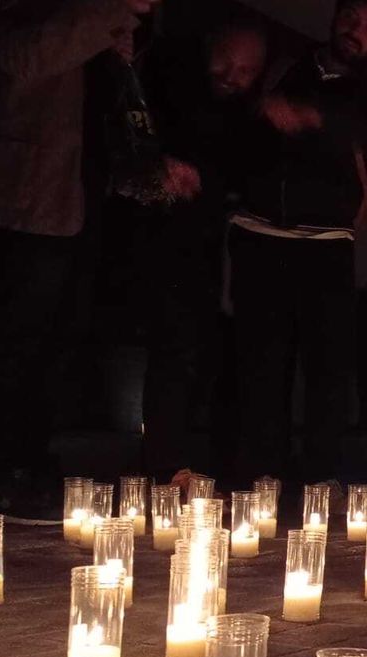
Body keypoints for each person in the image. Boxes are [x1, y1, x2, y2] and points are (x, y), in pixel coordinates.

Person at [0, 0, 159, 517]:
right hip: (17, 197)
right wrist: (113, 13)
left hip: (73, 195)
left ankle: (26, 461)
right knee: (8, 342)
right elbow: (21, 56)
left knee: (54, 341)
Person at [227, 0, 367, 498]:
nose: (356, 30)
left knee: (327, 365)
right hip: (259, 233)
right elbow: (240, 113)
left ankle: (319, 477)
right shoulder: (284, 68)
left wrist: (309, 117)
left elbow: (362, 134)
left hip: (326, 243)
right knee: (262, 361)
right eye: (352, 16)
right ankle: (262, 475)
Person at [133, 18, 269, 491]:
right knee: (173, 349)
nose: (233, 75)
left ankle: (194, 463)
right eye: (226, 61)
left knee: (202, 353)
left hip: (208, 249)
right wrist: (158, 169)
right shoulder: (167, 83)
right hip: (151, 238)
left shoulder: (242, 116)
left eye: (247, 70)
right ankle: (166, 466)